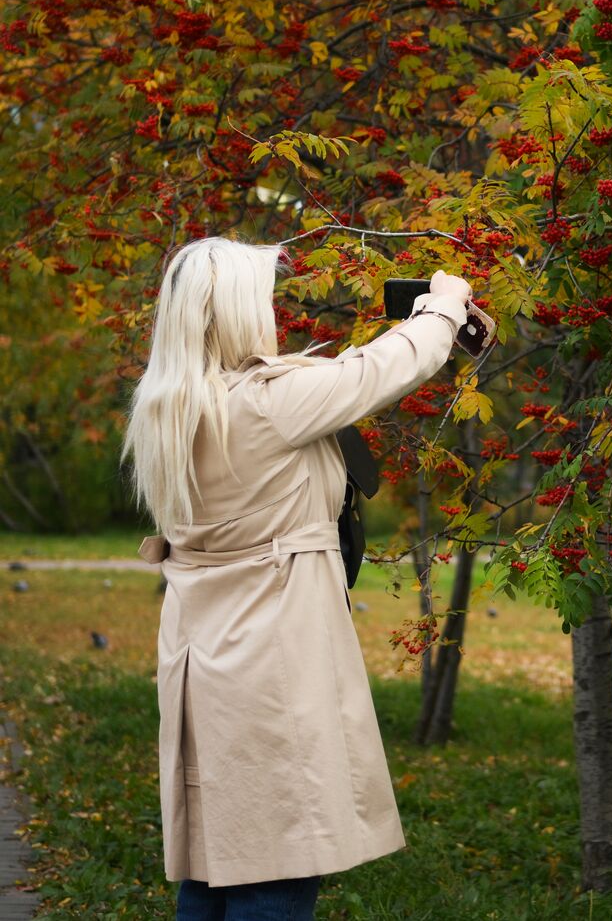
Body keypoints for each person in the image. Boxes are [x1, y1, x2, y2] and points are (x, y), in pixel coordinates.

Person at [118, 236, 474, 920]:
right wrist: (445, 304)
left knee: (218, 863)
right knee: (280, 864)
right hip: (271, 653)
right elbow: (389, 366)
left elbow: (337, 380)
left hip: (204, 653)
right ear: (236, 314)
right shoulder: (268, 403)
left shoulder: (171, 405)